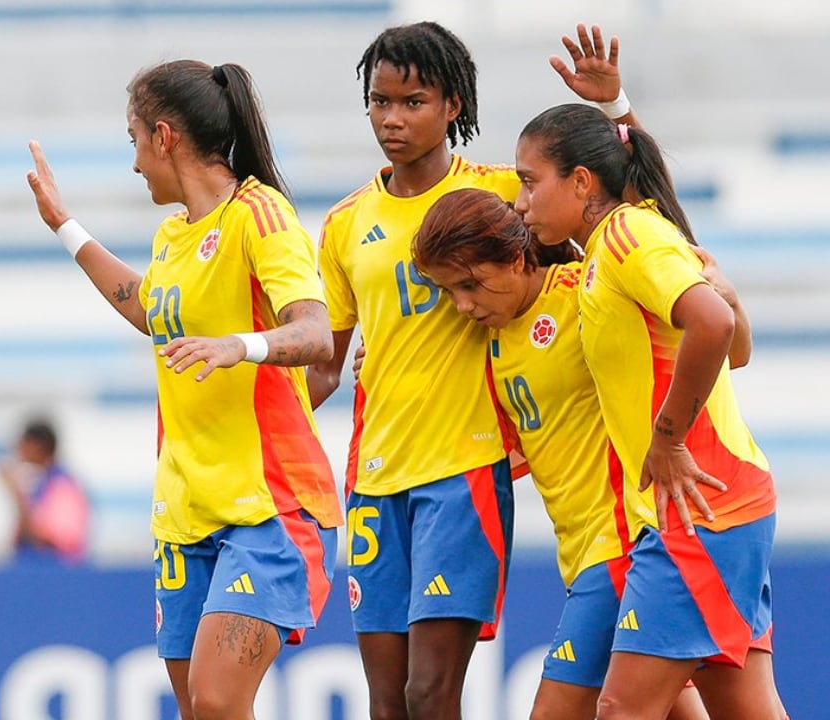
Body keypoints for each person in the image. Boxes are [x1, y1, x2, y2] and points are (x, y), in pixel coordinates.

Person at [306, 21, 637, 719]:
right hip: (374, 478)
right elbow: (327, 368)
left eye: (413, 102)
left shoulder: (502, 193)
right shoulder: (344, 223)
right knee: (387, 703)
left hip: (463, 472)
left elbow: (627, 228)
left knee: (430, 693)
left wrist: (615, 110)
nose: (392, 119)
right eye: (380, 101)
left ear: (453, 104)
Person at [26, 60, 343, 720]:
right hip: (184, 511)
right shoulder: (173, 235)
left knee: (220, 701)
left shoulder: (260, 214)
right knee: (199, 711)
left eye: (135, 140)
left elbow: (315, 333)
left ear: (164, 137)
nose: (135, 162)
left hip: (270, 506)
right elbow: (150, 309)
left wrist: (240, 346)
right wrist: (65, 225)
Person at [409, 188, 726, 719]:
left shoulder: (584, 292)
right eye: (449, 292)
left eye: (470, 285)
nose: (463, 305)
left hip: (624, 540)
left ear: (516, 258)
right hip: (580, 554)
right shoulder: (489, 338)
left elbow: (693, 322)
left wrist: (714, 290)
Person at [514, 102, 786, 720]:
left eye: (531, 182)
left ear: (582, 181)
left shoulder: (625, 238)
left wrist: (669, 438)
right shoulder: (610, 246)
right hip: (713, 506)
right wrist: (617, 106)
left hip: (701, 511)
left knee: (621, 710)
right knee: (745, 710)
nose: (522, 202)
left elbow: (716, 326)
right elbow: (733, 344)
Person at [0, 417, 90, 565]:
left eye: (24, 443)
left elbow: (54, 541)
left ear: (38, 446)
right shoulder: (42, 484)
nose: (18, 449)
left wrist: (16, 494)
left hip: (55, 572)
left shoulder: (62, 486)